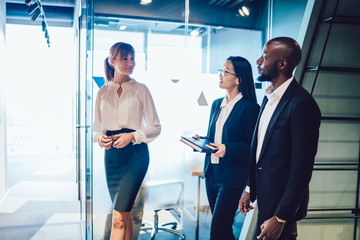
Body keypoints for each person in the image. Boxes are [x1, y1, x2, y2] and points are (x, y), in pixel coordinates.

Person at [239, 37, 321, 240]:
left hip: (281, 209)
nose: (258, 61)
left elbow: (302, 168)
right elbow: (260, 148)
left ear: (282, 64)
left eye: (264, 56)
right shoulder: (269, 97)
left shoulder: (302, 104)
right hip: (264, 199)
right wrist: (250, 187)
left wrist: (282, 217)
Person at [93, 42, 161, 240]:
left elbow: (156, 126)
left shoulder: (141, 89)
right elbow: (96, 129)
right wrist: (100, 139)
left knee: (118, 218)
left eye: (132, 58)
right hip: (112, 158)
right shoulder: (102, 93)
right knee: (125, 214)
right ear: (112, 61)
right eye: (125, 58)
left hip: (135, 156)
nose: (131, 62)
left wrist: (131, 136)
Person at [197, 56, 260, 240]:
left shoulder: (250, 108)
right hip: (212, 173)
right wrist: (201, 140)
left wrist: (228, 148)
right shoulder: (217, 104)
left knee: (217, 230)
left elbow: (253, 148)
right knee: (223, 231)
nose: (220, 75)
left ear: (238, 78)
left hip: (231, 175)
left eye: (226, 71)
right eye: (221, 70)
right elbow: (215, 137)